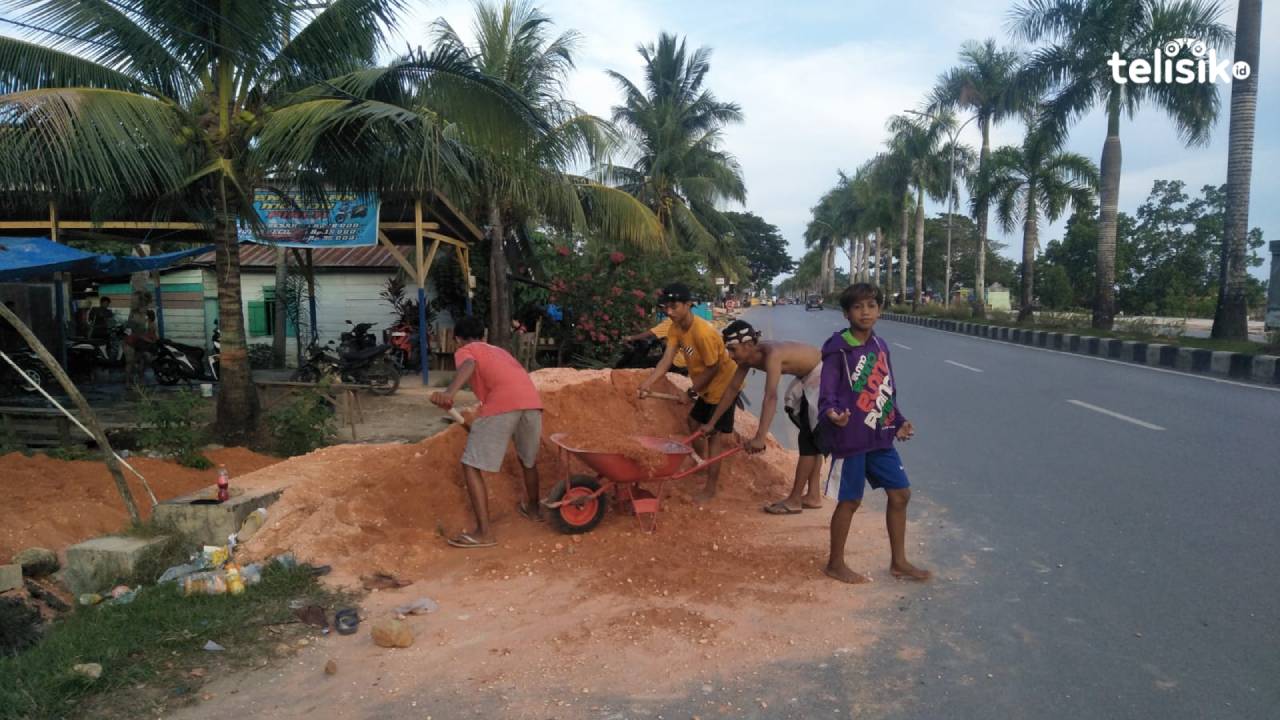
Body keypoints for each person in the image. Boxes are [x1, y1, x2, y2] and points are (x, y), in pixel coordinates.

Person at [818, 283, 929, 584]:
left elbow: (886, 388)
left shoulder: (880, 346)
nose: (865, 312)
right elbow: (827, 392)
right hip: (850, 437)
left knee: (901, 494)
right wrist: (832, 414)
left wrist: (900, 419)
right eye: (857, 306)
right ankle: (835, 563)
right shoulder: (838, 349)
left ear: (879, 310)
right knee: (850, 501)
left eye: (871, 305)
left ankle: (899, 562)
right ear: (846, 313)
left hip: (880, 435)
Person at [430, 316, 544, 549]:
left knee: (471, 466)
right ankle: (534, 510)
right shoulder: (500, 351)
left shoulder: (467, 350)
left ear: (458, 340)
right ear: (484, 336)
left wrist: (449, 392)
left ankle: (484, 533)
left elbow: (469, 364)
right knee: (528, 461)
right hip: (532, 403)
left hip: (502, 403)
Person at [698, 319, 826, 514]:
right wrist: (711, 423)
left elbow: (770, 396)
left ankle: (795, 500)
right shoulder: (746, 359)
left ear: (749, 345)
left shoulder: (772, 355)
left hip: (823, 372)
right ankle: (813, 495)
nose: (730, 356)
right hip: (807, 376)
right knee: (810, 437)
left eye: (733, 350)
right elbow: (731, 390)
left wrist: (760, 437)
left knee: (808, 440)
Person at [637, 282, 738, 502]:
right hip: (706, 384)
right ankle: (704, 463)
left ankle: (711, 489)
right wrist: (648, 382)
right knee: (693, 423)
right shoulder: (675, 328)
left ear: (688, 304)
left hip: (723, 386)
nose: (669, 312)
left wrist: (691, 392)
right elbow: (666, 359)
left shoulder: (703, 333)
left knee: (713, 436)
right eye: (666, 307)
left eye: (674, 307)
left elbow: (714, 368)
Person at [621, 314, 687, 372]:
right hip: (686, 363)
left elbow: (651, 333)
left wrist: (630, 338)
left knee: (639, 365)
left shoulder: (671, 321)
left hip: (675, 361)